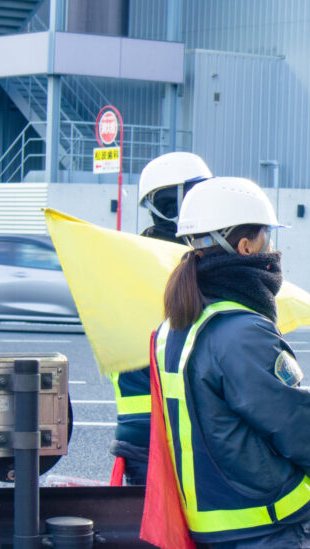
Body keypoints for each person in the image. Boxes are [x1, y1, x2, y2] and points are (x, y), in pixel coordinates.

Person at [155, 176, 310, 547]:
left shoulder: (175, 326)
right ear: (245, 246)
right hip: (268, 530)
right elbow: (298, 421)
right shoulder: (242, 331)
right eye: (267, 236)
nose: (273, 248)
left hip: (213, 528)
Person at [108, 151, 214, 485]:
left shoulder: (128, 260)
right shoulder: (183, 267)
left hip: (141, 430)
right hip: (176, 428)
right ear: (173, 205)